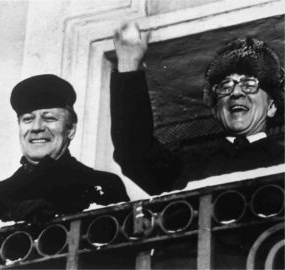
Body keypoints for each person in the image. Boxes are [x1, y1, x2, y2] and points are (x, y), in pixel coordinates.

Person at [0, 74, 129, 239]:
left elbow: (118, 255)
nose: (37, 128)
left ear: (71, 129)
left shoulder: (102, 184)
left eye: (49, 118)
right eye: (28, 119)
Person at [110, 22, 284, 195]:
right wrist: (129, 65)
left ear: (271, 106)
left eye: (249, 85)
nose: (236, 93)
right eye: (225, 87)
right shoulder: (188, 165)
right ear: (216, 111)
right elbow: (135, 154)